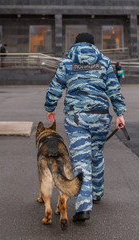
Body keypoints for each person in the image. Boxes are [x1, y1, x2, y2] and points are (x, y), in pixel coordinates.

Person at [44, 32, 126, 222]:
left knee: (81, 158)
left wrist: (50, 108)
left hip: (77, 118)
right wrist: (120, 114)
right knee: (96, 155)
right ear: (93, 44)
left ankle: (83, 207)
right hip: (100, 117)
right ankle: (97, 193)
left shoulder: (67, 62)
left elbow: (55, 87)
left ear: (76, 44)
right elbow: (114, 88)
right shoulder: (104, 61)